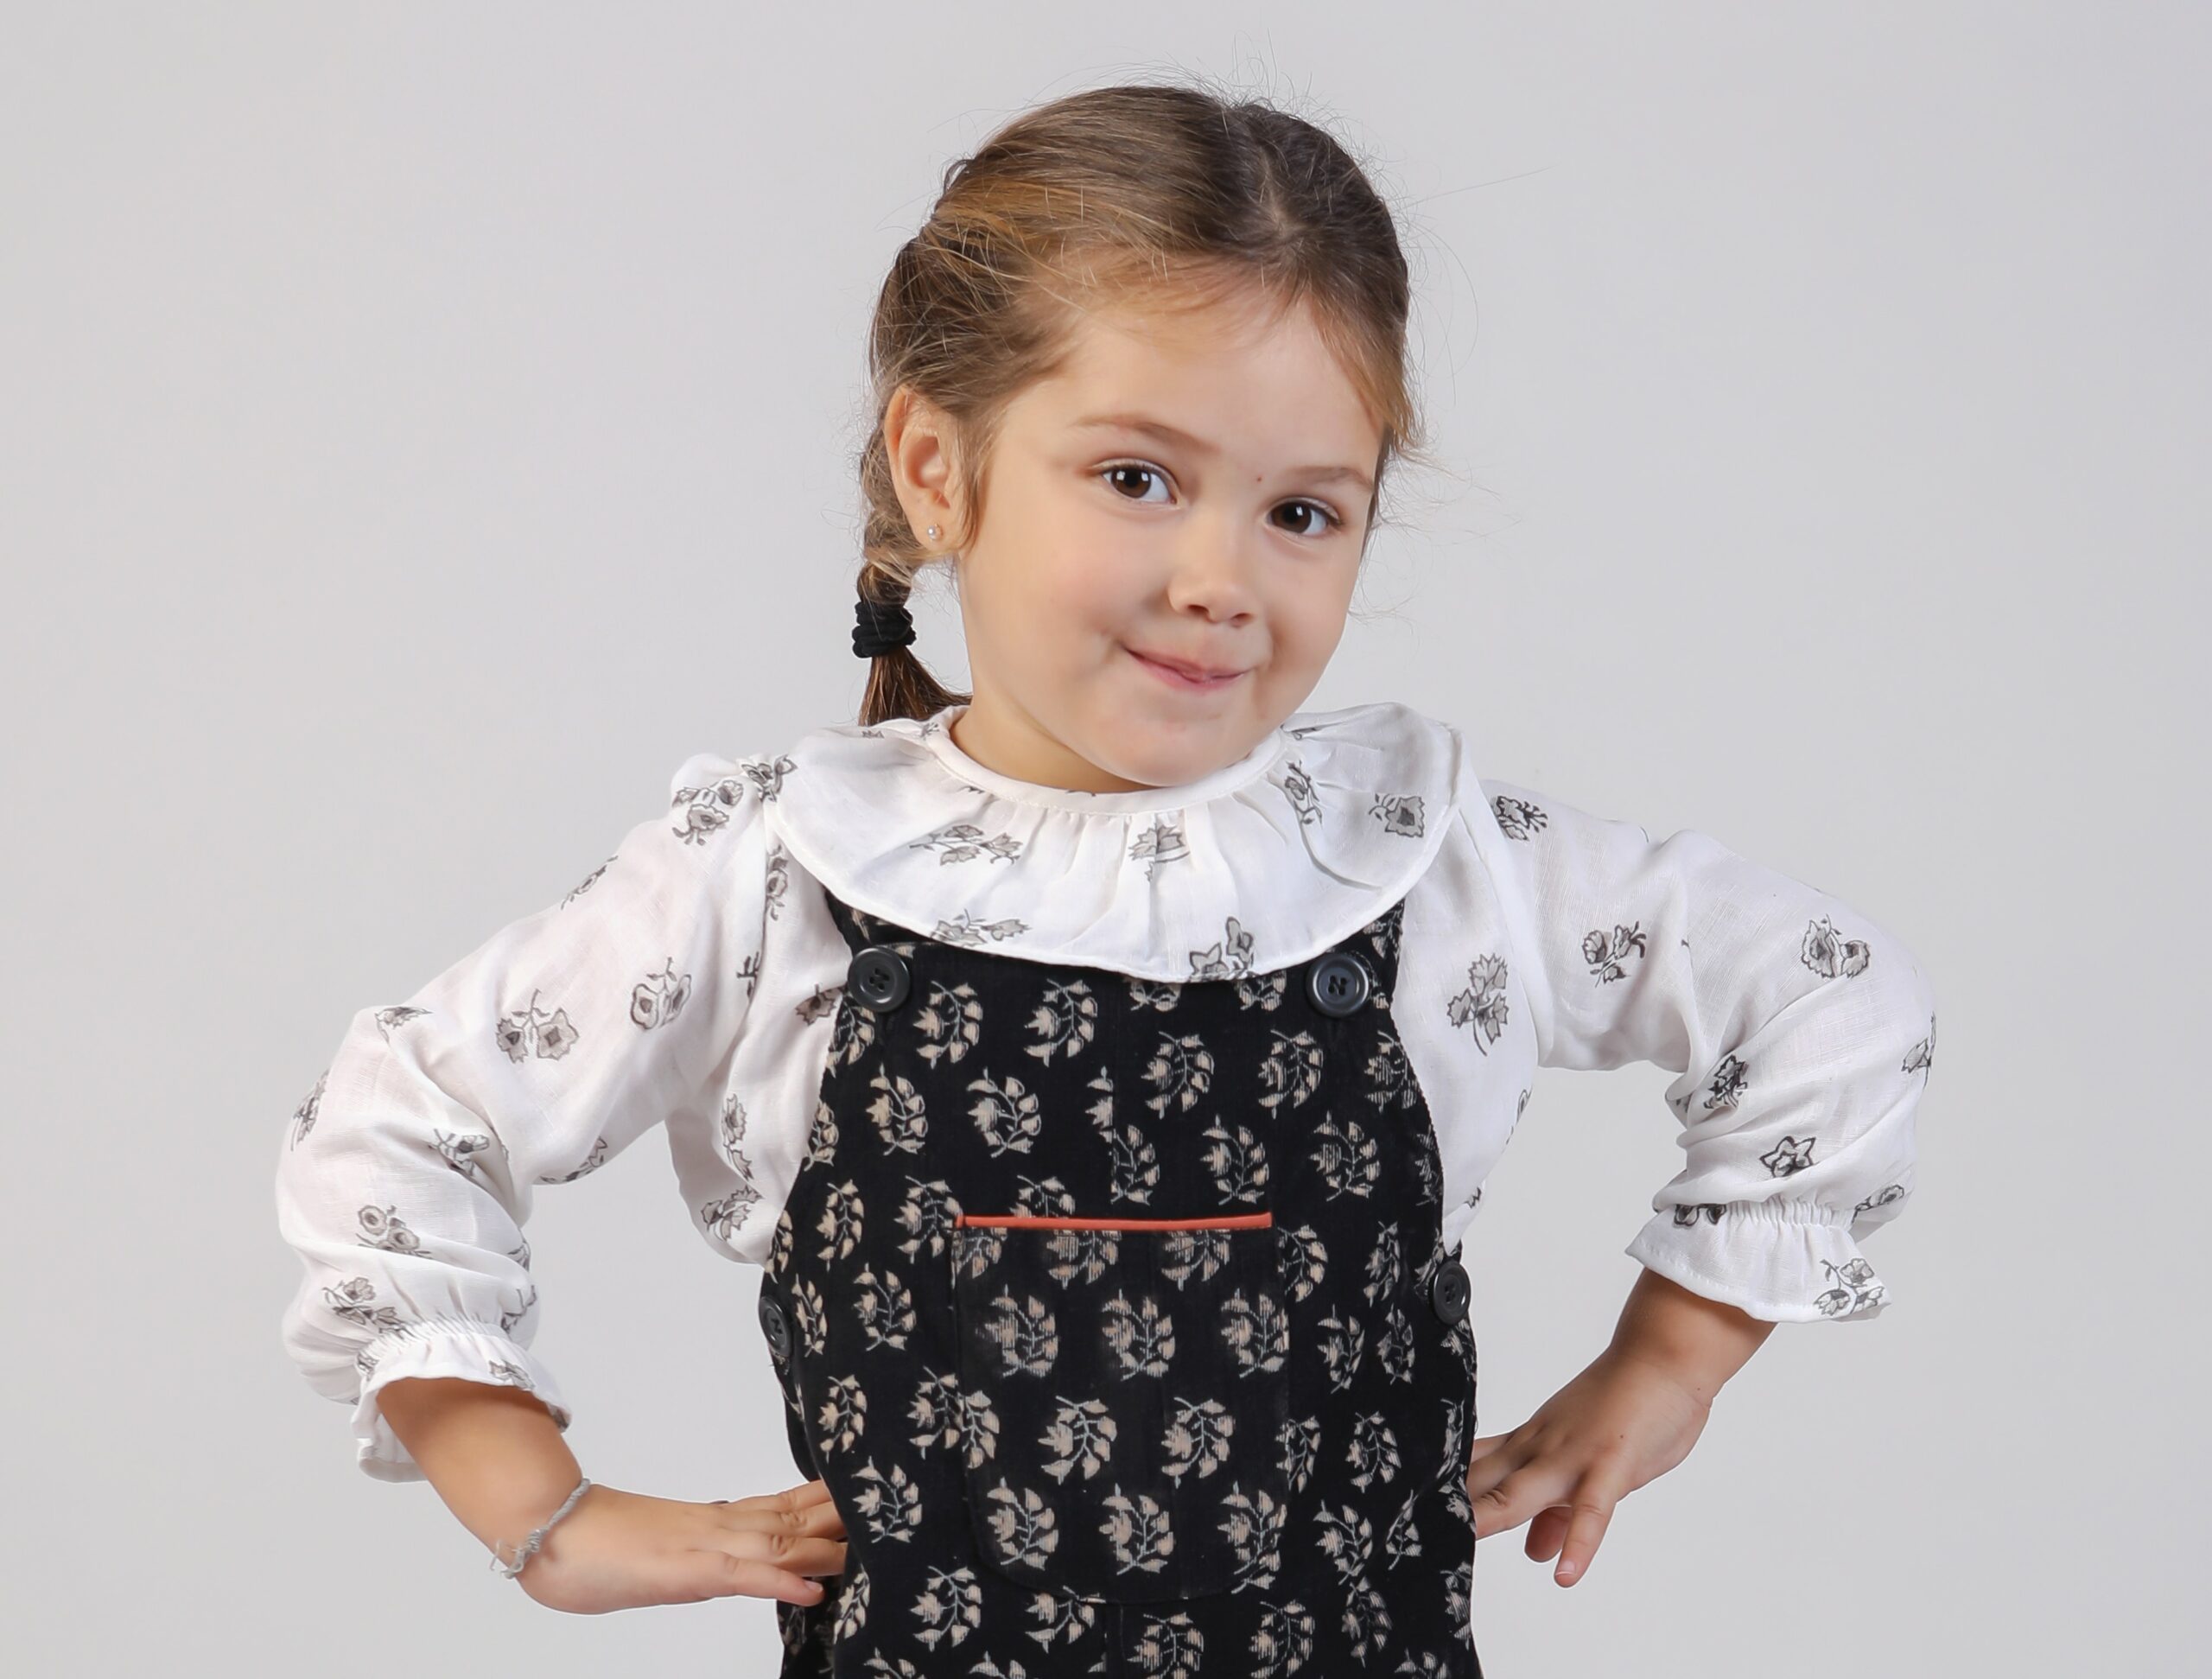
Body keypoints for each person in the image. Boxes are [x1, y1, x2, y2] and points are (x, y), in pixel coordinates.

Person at [274, 79, 1937, 1677]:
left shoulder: (1428, 868)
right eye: (1139, 479)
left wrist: (1669, 1366)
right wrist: (542, 1511)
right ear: (939, 468)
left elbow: (1828, 995)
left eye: (1303, 512)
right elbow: (403, 1119)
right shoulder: (783, 878)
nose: (1222, 578)